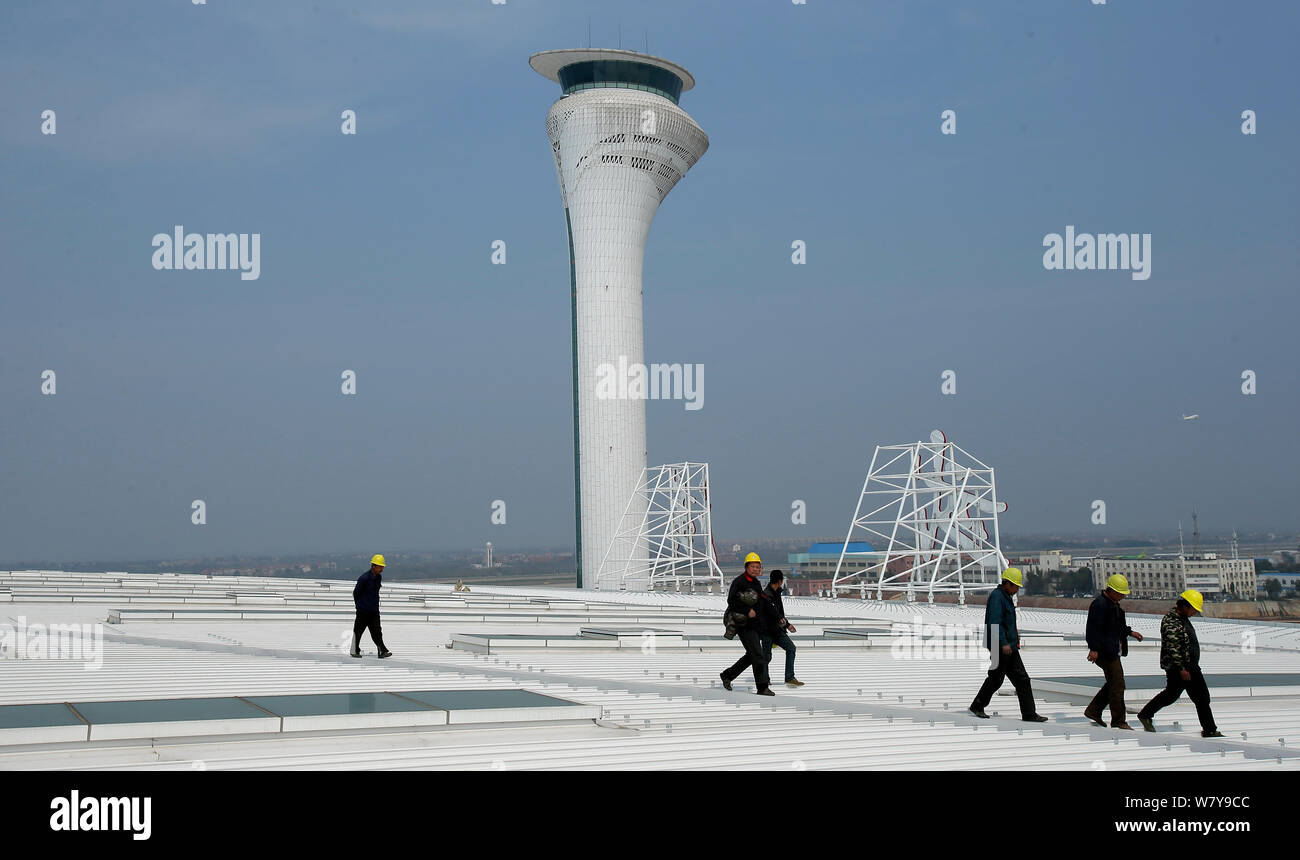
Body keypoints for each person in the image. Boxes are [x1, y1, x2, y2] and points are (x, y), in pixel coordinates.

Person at [1137, 590, 1222, 737]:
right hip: (1182, 667)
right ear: (1185, 606)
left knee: (1176, 695)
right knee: (1198, 697)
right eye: (1194, 609)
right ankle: (1209, 730)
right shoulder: (1171, 621)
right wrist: (1182, 668)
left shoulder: (1182, 618)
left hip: (1189, 665)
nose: (1195, 612)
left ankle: (1145, 714)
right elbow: (1172, 647)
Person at [969, 568, 1049, 722]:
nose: (1017, 589)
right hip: (1001, 646)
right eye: (1016, 586)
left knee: (1022, 680)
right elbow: (995, 623)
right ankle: (977, 705)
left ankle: (1029, 714)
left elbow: (1006, 622)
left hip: (1009, 646)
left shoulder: (1005, 596)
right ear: (1008, 584)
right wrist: (1003, 643)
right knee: (996, 678)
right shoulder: (997, 597)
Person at [1084, 574, 1144, 729]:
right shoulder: (1100, 605)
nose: (1123, 596)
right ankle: (1118, 721)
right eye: (1120, 593)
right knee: (1117, 685)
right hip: (1105, 651)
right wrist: (1094, 649)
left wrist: (1130, 633)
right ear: (1111, 590)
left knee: (1114, 683)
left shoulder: (1112, 604)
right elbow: (1093, 629)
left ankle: (1094, 711)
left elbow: (1116, 626)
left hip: (1112, 650)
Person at [720, 552, 773, 695]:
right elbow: (731, 601)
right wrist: (747, 610)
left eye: (758, 566)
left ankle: (727, 675)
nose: (756, 569)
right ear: (746, 567)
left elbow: (761, 602)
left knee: (752, 655)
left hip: (754, 625)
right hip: (743, 624)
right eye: (753, 566)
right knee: (758, 655)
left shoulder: (755, 582)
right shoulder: (739, 582)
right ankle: (762, 688)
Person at [759, 571, 803, 687]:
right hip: (767, 631)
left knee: (791, 648)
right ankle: (764, 680)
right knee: (766, 656)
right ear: (779, 581)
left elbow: (778, 613)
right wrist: (785, 624)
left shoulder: (776, 593)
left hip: (777, 630)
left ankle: (789, 677)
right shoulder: (766, 594)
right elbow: (772, 613)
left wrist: (787, 624)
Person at [351, 554, 392, 659]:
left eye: (382, 566)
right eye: (380, 566)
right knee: (358, 631)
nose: (382, 568)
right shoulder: (364, 578)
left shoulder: (378, 577)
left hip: (374, 610)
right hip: (363, 611)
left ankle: (382, 651)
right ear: (373, 566)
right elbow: (356, 593)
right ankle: (354, 650)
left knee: (377, 631)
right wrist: (360, 607)